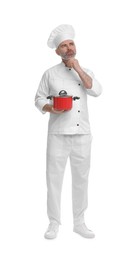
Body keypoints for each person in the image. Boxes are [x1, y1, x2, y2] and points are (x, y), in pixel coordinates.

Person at [35, 24, 102, 239]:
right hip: (57, 133)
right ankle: (54, 223)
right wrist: (49, 107)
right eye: (63, 45)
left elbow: (96, 90)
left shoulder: (86, 71)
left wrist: (78, 69)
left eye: (71, 43)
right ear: (57, 51)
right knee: (54, 179)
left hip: (82, 133)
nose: (68, 48)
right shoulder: (49, 74)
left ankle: (79, 222)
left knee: (81, 178)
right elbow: (38, 98)